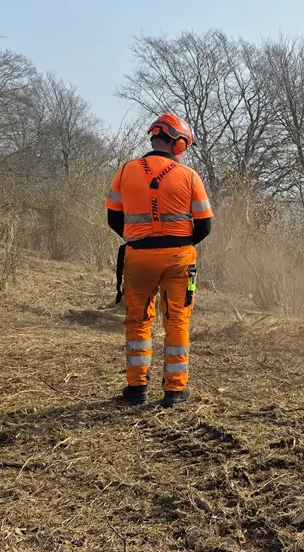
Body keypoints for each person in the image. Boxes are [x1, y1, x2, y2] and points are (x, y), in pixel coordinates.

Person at [105, 113, 213, 408]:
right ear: (178, 144)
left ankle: (136, 389)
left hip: (138, 257)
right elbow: (204, 226)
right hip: (179, 258)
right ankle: (174, 392)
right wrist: (177, 244)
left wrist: (138, 238)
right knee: (177, 321)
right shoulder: (190, 176)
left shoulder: (126, 171)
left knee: (137, 321)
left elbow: (113, 216)